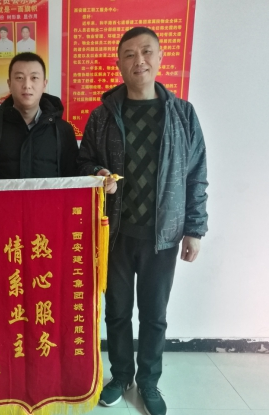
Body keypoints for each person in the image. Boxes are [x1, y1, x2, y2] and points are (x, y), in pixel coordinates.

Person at [77, 27, 208, 415]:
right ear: (119, 63)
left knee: (154, 315)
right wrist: (98, 173)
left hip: (163, 236)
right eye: (130, 54)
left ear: (160, 57)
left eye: (147, 52)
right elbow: (83, 163)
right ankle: (121, 376)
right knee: (117, 312)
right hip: (115, 234)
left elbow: (196, 175)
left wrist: (194, 229)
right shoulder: (102, 116)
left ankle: (149, 381)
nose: (139, 61)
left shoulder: (182, 114)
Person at [0, 52, 77, 179]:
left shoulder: (63, 130)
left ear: (44, 84)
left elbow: (71, 182)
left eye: (34, 78)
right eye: (19, 78)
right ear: (9, 84)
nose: (27, 85)